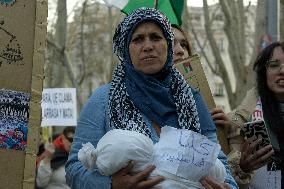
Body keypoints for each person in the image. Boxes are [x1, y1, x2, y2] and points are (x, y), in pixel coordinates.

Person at [65, 8, 238, 189]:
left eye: (156, 37)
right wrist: (111, 185)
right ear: (126, 49)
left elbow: (221, 169)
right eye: (138, 39)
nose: (148, 46)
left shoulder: (193, 101)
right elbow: (74, 169)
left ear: (168, 46)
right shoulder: (103, 99)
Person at [227, 41, 284, 189]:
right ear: (263, 73)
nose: (282, 70)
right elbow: (224, 179)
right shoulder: (238, 121)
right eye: (274, 65)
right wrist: (242, 168)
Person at [172, 25, 230, 131]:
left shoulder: (200, 95)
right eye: (170, 43)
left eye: (184, 45)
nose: (180, 50)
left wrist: (226, 136)